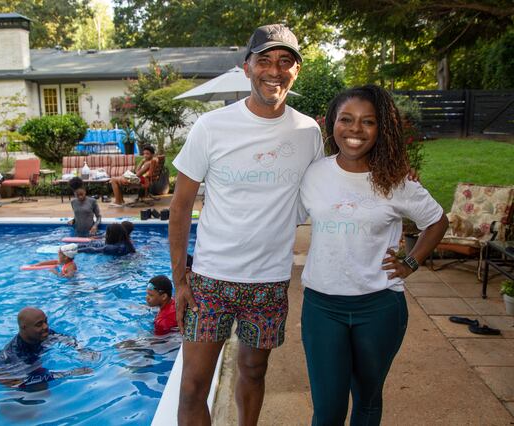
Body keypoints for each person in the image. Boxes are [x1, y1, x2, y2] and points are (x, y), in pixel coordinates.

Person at [169, 24, 323, 426]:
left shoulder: (309, 132)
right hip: (210, 280)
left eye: (285, 61)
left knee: (255, 372)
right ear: (247, 68)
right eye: (265, 60)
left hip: (268, 282)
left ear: (296, 71)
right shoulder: (211, 127)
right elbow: (181, 205)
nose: (274, 70)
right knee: (191, 389)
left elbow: (326, 188)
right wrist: (179, 279)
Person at [299, 85, 448, 425]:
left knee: (367, 401)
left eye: (368, 122)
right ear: (331, 124)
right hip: (323, 307)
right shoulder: (313, 174)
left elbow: (438, 221)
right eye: (346, 119)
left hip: (379, 306)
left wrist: (411, 262)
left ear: (382, 129)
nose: (355, 130)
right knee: (327, 410)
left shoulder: (396, 180)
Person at [0, 307, 98, 391]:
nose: (45, 327)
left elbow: (65, 338)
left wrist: (81, 350)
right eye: (39, 324)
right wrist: (70, 373)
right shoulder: (16, 354)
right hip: (13, 371)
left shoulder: (46, 334)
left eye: (45, 321)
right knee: (40, 389)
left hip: (35, 360)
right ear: (24, 328)